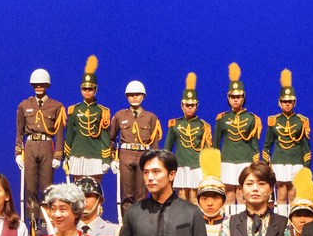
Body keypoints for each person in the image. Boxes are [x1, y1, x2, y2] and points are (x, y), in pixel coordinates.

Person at [16, 68, 66, 226]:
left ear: (47, 85)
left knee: (47, 186)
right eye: (35, 84)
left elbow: (59, 133)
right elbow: (19, 131)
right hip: (30, 145)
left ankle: (45, 220)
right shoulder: (24, 105)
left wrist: (58, 156)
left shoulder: (56, 106)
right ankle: (32, 220)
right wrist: (18, 152)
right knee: (30, 186)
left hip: (47, 146)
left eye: (41, 84)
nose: (38, 87)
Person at [110, 80, 163, 215]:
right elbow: (111, 139)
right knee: (127, 195)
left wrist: (154, 163)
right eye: (131, 95)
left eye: (137, 94)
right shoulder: (120, 115)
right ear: (127, 96)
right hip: (125, 155)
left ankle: (141, 223)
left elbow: (154, 144)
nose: (134, 97)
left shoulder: (151, 117)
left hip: (143, 157)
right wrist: (112, 159)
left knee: (142, 195)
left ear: (143, 96)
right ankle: (127, 224)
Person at [263, 69, 310, 215]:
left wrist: (306, 166)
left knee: (293, 193)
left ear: (294, 102)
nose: (287, 104)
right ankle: (282, 222)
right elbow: (267, 144)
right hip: (279, 161)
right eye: (284, 101)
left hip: (296, 161)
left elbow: (305, 146)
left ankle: (292, 220)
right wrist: (266, 164)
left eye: (290, 101)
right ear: (279, 103)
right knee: (281, 194)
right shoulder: (273, 120)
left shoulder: (301, 121)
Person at [214, 63, 262, 207]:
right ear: (228, 98)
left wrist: (256, 163)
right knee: (228, 194)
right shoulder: (222, 118)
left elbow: (254, 143)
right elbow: (216, 143)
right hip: (227, 160)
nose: (235, 99)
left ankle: (242, 220)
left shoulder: (252, 118)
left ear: (243, 97)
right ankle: (229, 220)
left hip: (245, 160)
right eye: (232, 96)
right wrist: (214, 164)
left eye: (238, 96)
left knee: (242, 194)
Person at [166, 72, 213, 205]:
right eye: (187, 105)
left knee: (194, 196)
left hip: (196, 165)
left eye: (192, 105)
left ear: (197, 105)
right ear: (182, 105)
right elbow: (167, 148)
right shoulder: (174, 124)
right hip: (180, 164)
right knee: (181, 195)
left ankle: (196, 218)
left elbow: (207, 150)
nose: (189, 107)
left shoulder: (203, 126)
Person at [64, 55, 112, 184]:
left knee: (95, 188)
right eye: (84, 89)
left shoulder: (102, 111)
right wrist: (66, 156)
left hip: (95, 154)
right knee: (77, 189)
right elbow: (69, 135)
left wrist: (106, 159)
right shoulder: (73, 110)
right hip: (77, 153)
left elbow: (104, 137)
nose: (87, 91)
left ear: (95, 90)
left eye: (90, 89)